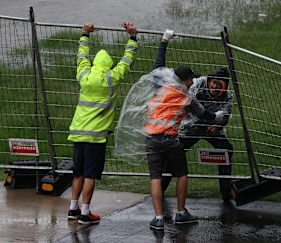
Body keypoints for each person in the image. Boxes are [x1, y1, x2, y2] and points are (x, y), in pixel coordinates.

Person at [146, 29, 225, 230]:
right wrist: (218, 117)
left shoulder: (161, 84)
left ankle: (158, 218)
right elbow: (203, 114)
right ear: (185, 80)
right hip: (171, 140)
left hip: (151, 139)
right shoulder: (185, 96)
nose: (192, 82)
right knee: (181, 173)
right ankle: (181, 213)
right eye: (191, 79)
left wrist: (164, 41)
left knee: (155, 177)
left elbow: (158, 65)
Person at [67, 21, 138, 226]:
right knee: (90, 174)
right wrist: (132, 38)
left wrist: (84, 34)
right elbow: (126, 61)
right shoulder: (112, 78)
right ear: (108, 65)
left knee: (78, 172)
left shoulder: (84, 75)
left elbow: (81, 56)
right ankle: (85, 213)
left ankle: (73, 208)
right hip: (96, 136)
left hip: (78, 133)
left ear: (95, 63)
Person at [161, 67, 235, 203]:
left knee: (227, 150)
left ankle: (226, 192)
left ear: (224, 86)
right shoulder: (198, 84)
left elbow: (225, 116)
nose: (214, 86)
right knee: (175, 153)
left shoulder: (228, 97)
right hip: (191, 126)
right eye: (213, 82)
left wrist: (217, 126)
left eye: (219, 85)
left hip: (212, 129)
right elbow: (188, 103)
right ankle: (160, 188)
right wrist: (200, 121)